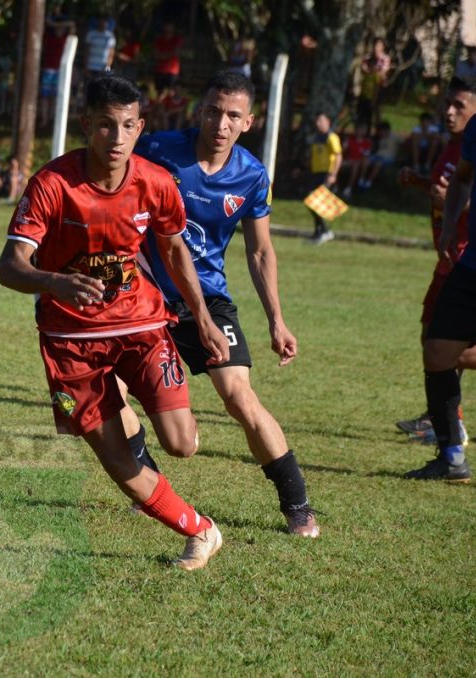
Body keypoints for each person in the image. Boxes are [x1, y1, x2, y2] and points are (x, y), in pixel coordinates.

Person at [0, 73, 229, 570]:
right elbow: (9, 266)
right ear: (87, 125)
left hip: (141, 327)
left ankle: (144, 412)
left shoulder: (155, 182)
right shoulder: (52, 184)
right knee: (117, 461)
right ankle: (200, 531)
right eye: (106, 125)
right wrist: (55, 282)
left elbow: (172, 248)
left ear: (140, 126)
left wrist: (204, 319)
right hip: (69, 340)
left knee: (181, 444)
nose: (117, 138)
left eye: (127, 126)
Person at [126, 70, 320, 537]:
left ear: (248, 122)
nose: (221, 123)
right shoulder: (157, 150)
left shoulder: (252, 176)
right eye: (214, 111)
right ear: (200, 110)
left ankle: (297, 505)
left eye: (233, 115)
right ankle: (147, 484)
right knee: (110, 387)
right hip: (145, 295)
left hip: (207, 302)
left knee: (239, 396)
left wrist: (277, 320)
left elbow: (259, 251)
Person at [395, 77, 476, 447]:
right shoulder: (465, 141)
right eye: (447, 104)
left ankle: (447, 421)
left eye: (459, 105)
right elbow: (458, 188)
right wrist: (425, 186)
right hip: (457, 255)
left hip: (469, 256)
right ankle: (442, 426)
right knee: (433, 339)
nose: (449, 111)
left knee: (453, 345)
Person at [305, 112, 342, 245]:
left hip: (326, 174)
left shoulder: (331, 137)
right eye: (317, 121)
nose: (318, 123)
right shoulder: (317, 138)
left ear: (328, 122)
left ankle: (325, 231)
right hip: (316, 174)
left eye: (321, 120)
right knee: (311, 202)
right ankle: (319, 232)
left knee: (313, 200)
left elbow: (338, 156)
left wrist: (333, 175)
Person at [356, 37, 390, 128]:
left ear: (382, 47)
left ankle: (377, 133)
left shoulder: (385, 58)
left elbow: (383, 73)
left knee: (377, 112)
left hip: (378, 89)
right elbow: (363, 69)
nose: (376, 47)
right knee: (363, 112)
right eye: (375, 45)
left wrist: (373, 71)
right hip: (366, 89)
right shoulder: (367, 57)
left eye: (379, 45)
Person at [357, 120, 400, 190]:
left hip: (388, 158)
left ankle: (368, 183)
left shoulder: (395, 136)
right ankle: (361, 180)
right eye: (380, 131)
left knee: (378, 163)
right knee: (366, 160)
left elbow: (405, 142)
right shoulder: (378, 138)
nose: (380, 133)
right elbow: (371, 148)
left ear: (387, 130)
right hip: (377, 156)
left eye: (382, 131)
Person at [341, 122, 373, 200]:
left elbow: (367, 155)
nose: (360, 131)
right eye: (359, 129)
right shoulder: (350, 140)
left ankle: (356, 183)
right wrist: (344, 145)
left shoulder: (367, 142)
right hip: (349, 160)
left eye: (363, 130)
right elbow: (342, 151)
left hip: (359, 162)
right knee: (355, 164)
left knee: (361, 162)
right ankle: (349, 188)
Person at [151, 21, 183, 91]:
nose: (168, 29)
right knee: (159, 92)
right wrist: (170, 54)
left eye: (170, 27)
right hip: (160, 70)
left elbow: (176, 53)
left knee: (171, 91)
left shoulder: (177, 39)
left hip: (172, 71)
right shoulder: (158, 40)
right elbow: (156, 56)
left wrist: (162, 55)